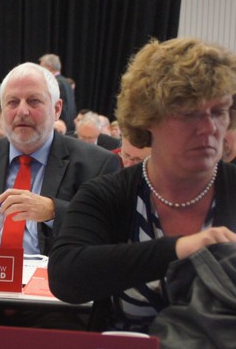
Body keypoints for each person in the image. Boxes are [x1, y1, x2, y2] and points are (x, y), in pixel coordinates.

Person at [49, 38, 236, 332]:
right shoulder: (108, 194)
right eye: (189, 114)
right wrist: (181, 248)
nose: (210, 128)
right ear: (147, 117)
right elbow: (66, 277)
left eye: (219, 112)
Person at [0, 62, 120, 255]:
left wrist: (53, 211)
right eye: (13, 102)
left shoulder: (97, 164)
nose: (22, 111)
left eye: (33, 101)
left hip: (56, 273)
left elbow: (110, 230)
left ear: (57, 109)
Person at [39, 53, 77, 133]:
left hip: (59, 127)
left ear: (49, 67)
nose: (40, 70)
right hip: (70, 127)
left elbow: (61, 107)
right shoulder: (67, 82)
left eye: (41, 66)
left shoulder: (54, 83)